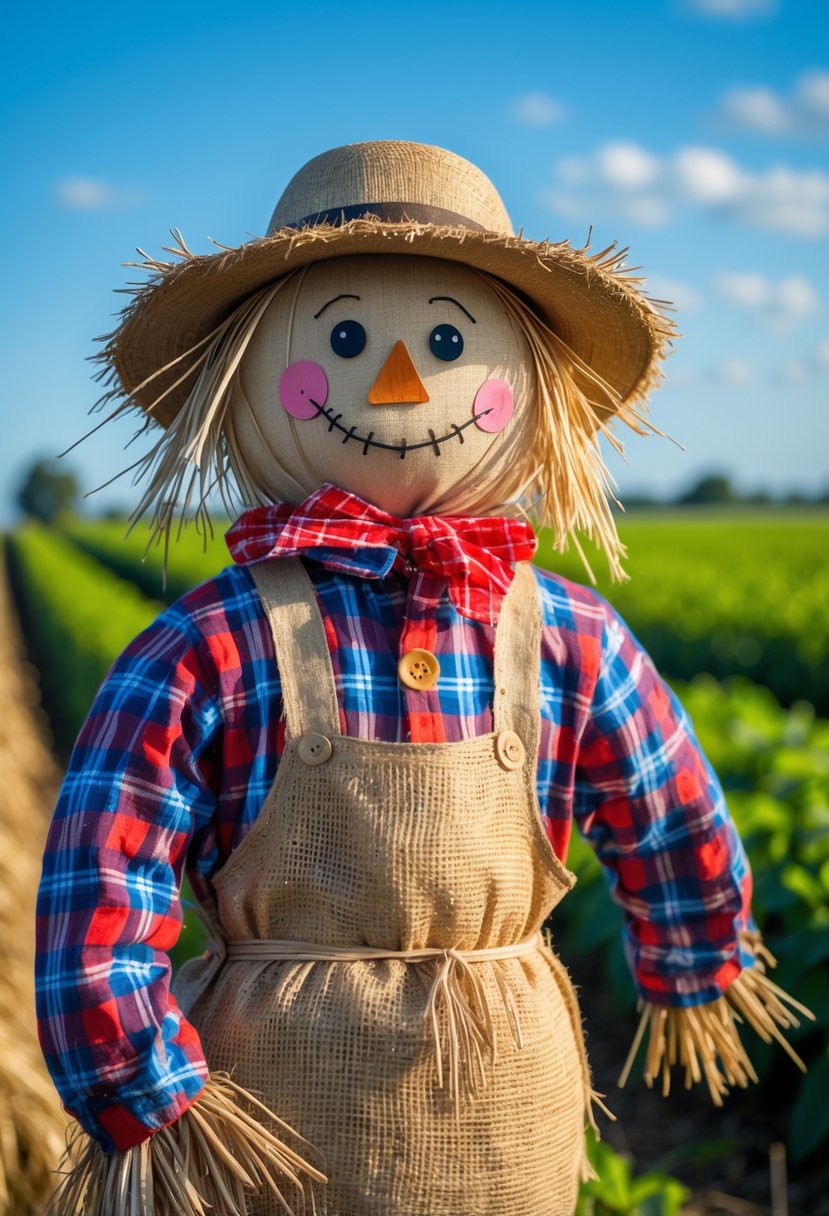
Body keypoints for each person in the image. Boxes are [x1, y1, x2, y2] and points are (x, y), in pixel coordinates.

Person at [36, 141, 807, 1216]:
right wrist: (137, 1079)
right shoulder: (214, 642)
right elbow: (103, 876)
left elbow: (665, 801)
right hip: (266, 1122)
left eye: (449, 341)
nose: (399, 379)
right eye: (343, 338)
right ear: (244, 382)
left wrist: (694, 953)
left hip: (506, 1105)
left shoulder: (562, 633)